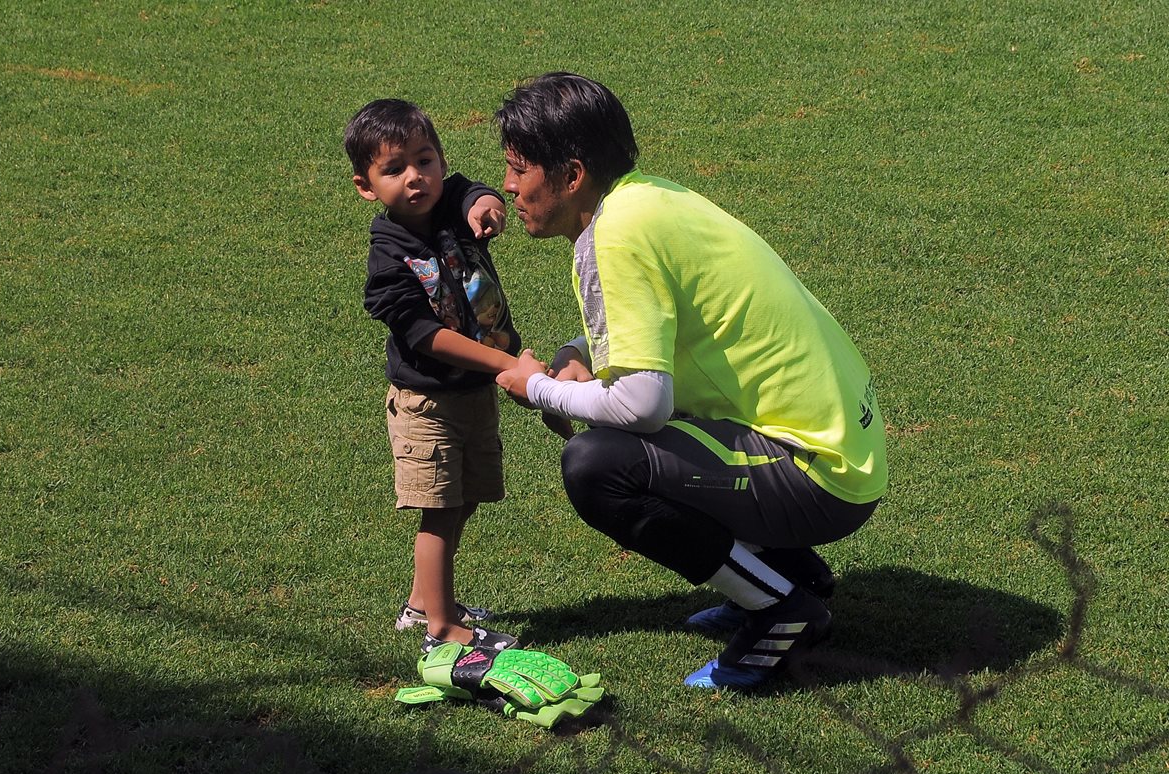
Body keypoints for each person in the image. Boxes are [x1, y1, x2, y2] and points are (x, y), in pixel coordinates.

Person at [492, 73, 887, 690]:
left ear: (571, 176)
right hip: (845, 451)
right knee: (644, 439)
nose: (510, 186)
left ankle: (781, 610)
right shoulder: (647, 199)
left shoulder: (616, 235)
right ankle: (791, 574)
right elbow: (658, 326)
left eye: (520, 170)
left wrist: (536, 387)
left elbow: (643, 403)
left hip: (819, 476)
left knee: (598, 463)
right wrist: (576, 353)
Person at [344, 98, 522, 654]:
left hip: (471, 394)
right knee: (439, 510)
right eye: (394, 169)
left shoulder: (452, 201)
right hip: (427, 402)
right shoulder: (388, 253)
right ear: (365, 186)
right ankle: (444, 629)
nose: (415, 177)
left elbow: (475, 191)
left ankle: (423, 606)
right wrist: (508, 364)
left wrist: (487, 205)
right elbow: (424, 336)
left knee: (464, 498)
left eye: (425, 160)